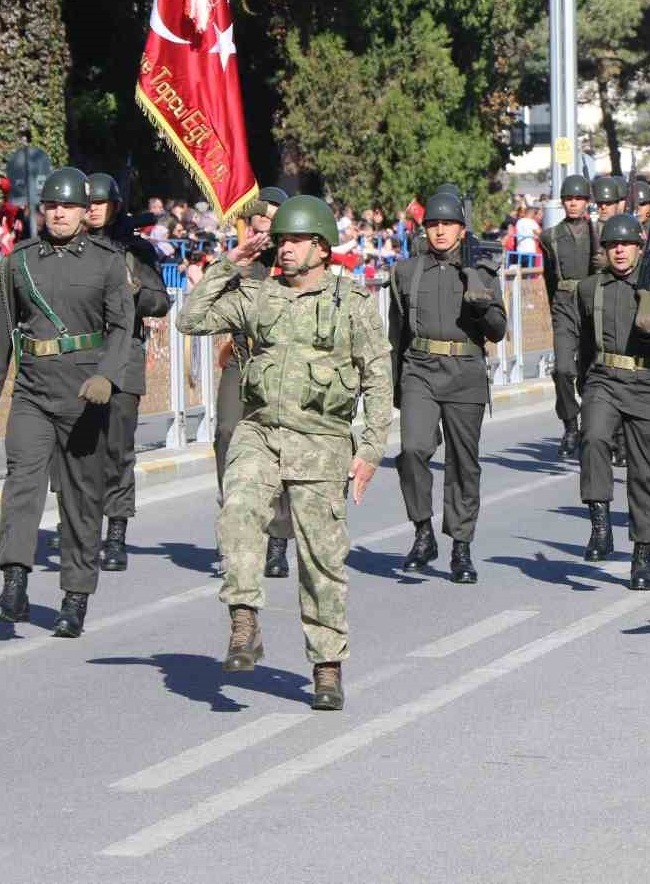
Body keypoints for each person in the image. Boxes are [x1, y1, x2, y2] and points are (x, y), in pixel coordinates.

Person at [177, 194, 392, 711]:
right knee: (237, 510)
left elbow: (379, 380)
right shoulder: (259, 295)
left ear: (322, 247)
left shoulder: (352, 303)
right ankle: (244, 620)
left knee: (321, 558)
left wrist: (370, 450)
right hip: (260, 433)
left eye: (296, 240)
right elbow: (191, 319)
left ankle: (326, 665)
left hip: (322, 442)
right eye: (282, 240)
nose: (286, 248)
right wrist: (231, 262)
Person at [0, 168, 134, 638]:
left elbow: (121, 327)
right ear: (41, 209)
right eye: (52, 205)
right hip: (32, 390)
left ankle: (75, 596)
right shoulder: (20, 261)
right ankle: (14, 585)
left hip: (85, 394)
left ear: (86, 213)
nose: (59, 213)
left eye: (69, 206)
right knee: (21, 483)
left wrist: (108, 375)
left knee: (81, 497)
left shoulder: (107, 262)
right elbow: (0, 327)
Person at [558, 213, 650, 588]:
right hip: (605, 377)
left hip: (649, 381)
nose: (619, 251)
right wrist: (583, 378)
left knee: (645, 474)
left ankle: (642, 557)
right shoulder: (590, 289)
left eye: (626, 244)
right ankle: (600, 525)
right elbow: (585, 340)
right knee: (594, 437)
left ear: (638, 248)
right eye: (613, 245)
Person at [388, 190, 508, 583]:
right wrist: (394, 388)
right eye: (433, 225)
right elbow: (397, 334)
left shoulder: (482, 269)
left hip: (465, 372)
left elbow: (498, 331)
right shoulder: (407, 271)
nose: (440, 231)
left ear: (461, 229)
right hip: (419, 369)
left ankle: (461, 546)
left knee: (462, 462)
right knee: (412, 450)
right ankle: (423, 532)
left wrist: (482, 302)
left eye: (448, 224)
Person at [84, 173, 171, 571]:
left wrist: (132, 286)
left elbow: (160, 302)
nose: (91, 210)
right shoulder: (69, 249)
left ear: (114, 206)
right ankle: (82, 528)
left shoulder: (134, 249)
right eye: (86, 203)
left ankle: (115, 531)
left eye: (99, 203)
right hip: (79, 356)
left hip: (124, 355)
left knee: (117, 448)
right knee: (78, 448)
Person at [213, 186, 297, 577]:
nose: (263, 222)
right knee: (227, 432)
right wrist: (233, 263)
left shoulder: (293, 259)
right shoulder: (242, 259)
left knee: (280, 446)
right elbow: (209, 297)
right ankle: (237, 524)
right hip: (242, 360)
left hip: (282, 365)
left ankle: (277, 538)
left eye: (271, 215)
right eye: (257, 216)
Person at [540, 174, 596, 460]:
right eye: (569, 199)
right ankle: (570, 424)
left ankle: (595, 426)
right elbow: (548, 277)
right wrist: (556, 307)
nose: (573, 203)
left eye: (578, 198)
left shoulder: (598, 233)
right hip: (563, 306)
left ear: (587, 202)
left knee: (591, 371)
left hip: (591, 307)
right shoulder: (549, 237)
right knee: (563, 369)